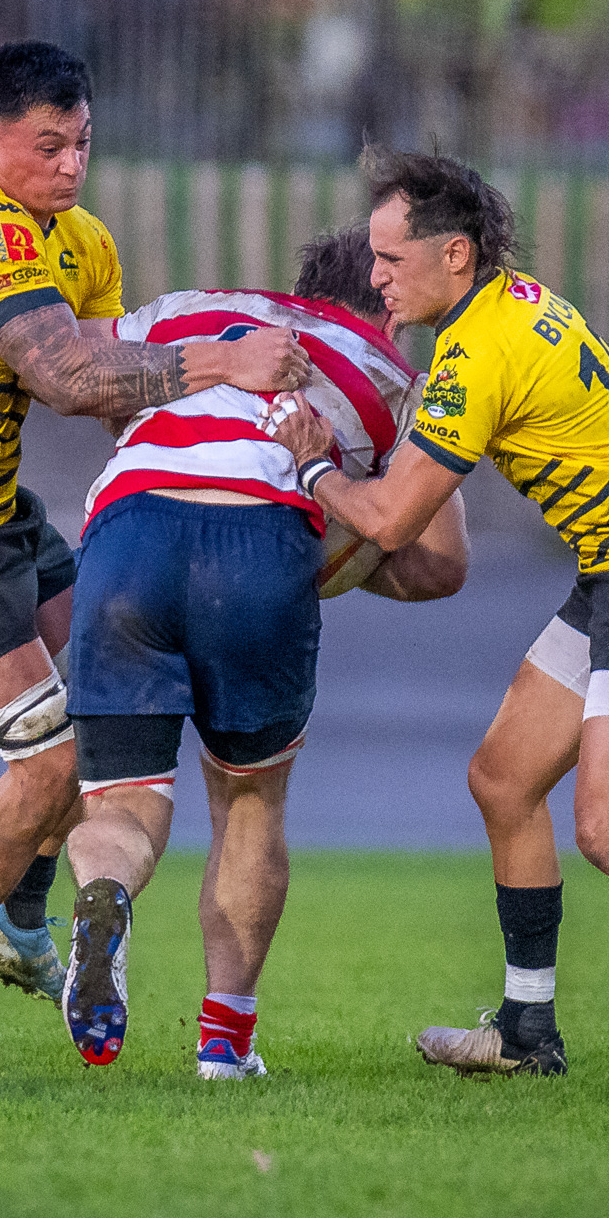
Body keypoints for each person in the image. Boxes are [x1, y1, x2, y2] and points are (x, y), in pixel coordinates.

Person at [267, 146, 609, 1093]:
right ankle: (526, 1032)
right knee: (503, 780)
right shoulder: (512, 302)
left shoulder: (476, 353)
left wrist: (316, 468)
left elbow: (395, 520)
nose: (377, 277)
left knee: (608, 825)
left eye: (393, 259)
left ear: (458, 256)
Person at [0, 39, 309, 1069]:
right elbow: (67, 378)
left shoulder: (78, 240)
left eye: (83, 141)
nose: (70, 165)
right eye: (47, 145)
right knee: (49, 765)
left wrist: (256, 469)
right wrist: (223, 359)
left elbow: (118, 393)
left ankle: (23, 925)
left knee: (100, 714)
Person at [59, 226, 469, 1078]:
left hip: (127, 530)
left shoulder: (182, 311)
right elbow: (438, 568)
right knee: (248, 806)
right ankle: (223, 1048)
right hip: (263, 545)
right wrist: (339, 549)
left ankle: (103, 901)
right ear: (385, 296)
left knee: (122, 806)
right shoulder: (395, 377)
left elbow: (94, 387)